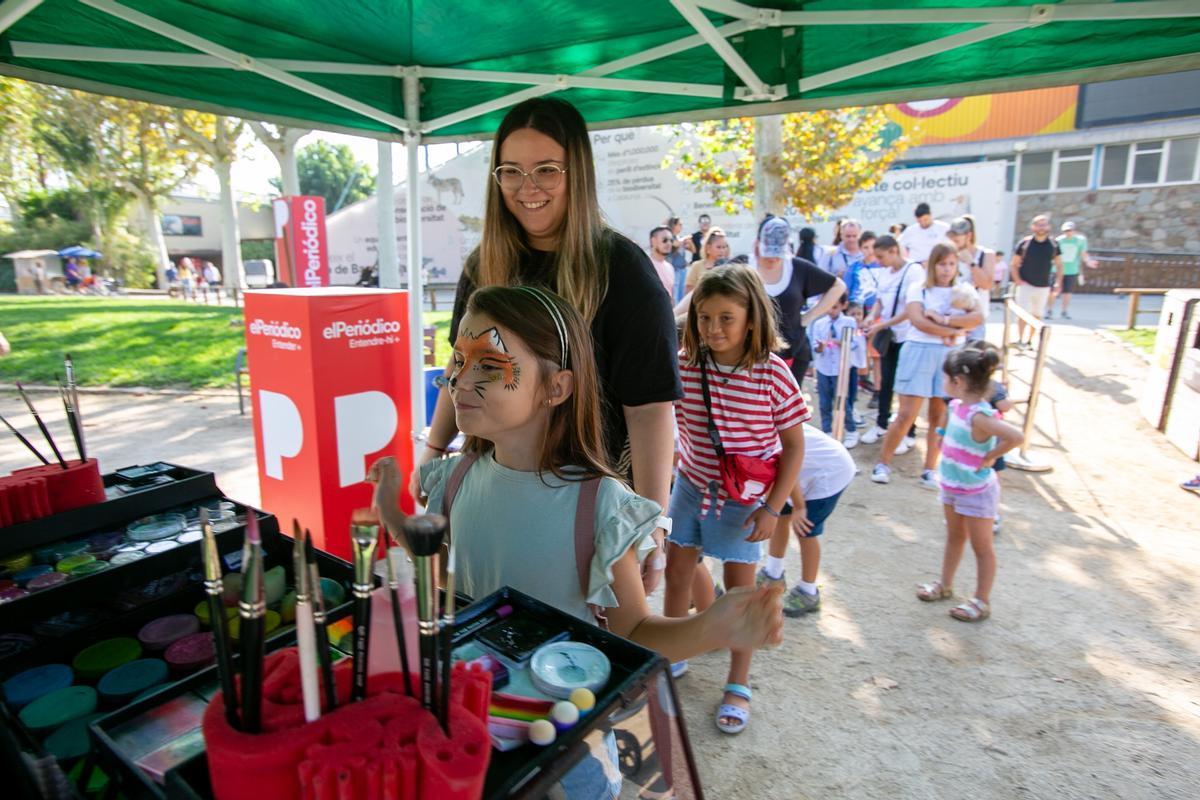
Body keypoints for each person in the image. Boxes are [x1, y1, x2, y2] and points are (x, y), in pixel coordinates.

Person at [368, 286, 783, 796]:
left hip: (570, 741)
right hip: (470, 724)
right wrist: (390, 510)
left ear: (556, 387)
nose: (458, 378)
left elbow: (634, 632)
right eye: (458, 358)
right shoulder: (454, 479)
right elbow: (432, 552)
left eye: (489, 363)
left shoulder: (600, 506)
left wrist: (710, 627)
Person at [422, 97, 681, 595]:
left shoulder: (622, 271)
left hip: (586, 501)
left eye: (546, 169)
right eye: (511, 171)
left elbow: (649, 408)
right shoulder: (483, 266)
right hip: (494, 486)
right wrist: (433, 449)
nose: (528, 187)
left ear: (577, 172)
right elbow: (459, 370)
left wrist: (652, 524)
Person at [662, 264, 806, 735]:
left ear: (751, 318)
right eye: (704, 317)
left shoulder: (772, 374)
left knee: (742, 589)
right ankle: (674, 648)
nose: (713, 329)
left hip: (745, 500)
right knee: (677, 569)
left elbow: (794, 446)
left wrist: (773, 507)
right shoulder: (685, 361)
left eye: (726, 317)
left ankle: (738, 683)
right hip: (690, 485)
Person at [916, 343, 1023, 623]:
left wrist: (990, 457)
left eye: (945, 377)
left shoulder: (980, 416)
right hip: (952, 485)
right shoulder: (957, 406)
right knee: (954, 536)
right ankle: (945, 584)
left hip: (976, 492)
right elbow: (947, 426)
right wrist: (941, 435)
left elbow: (1016, 437)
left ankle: (981, 600)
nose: (942, 382)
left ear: (958, 381)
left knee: (982, 546)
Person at [870, 241, 984, 489]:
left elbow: (976, 318)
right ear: (933, 265)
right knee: (906, 414)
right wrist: (953, 329)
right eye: (942, 264)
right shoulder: (918, 288)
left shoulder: (963, 290)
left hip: (949, 356)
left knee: (939, 416)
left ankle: (930, 469)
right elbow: (918, 320)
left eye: (952, 264)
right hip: (919, 351)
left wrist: (943, 320)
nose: (947, 269)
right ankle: (883, 463)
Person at [758, 423, 855, 616]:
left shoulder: (763, 431)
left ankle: (808, 591)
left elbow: (786, 467)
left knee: (805, 530)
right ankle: (773, 573)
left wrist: (800, 507)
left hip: (829, 473)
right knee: (779, 516)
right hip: (802, 472)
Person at [754, 216, 844, 394]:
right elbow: (704, 290)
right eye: (768, 252)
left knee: (786, 410)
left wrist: (809, 317)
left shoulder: (797, 267)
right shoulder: (744, 265)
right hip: (753, 354)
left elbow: (838, 286)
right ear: (757, 244)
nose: (772, 259)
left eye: (777, 253)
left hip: (792, 350)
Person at [860, 235, 923, 446]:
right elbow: (879, 300)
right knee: (885, 381)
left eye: (881, 256)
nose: (878, 261)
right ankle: (881, 423)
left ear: (894, 251)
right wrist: (872, 317)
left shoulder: (914, 272)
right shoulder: (886, 273)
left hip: (909, 337)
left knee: (906, 387)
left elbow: (911, 310)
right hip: (890, 336)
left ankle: (909, 432)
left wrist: (881, 325)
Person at [810, 294, 864, 446]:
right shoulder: (819, 323)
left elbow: (855, 343)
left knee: (843, 401)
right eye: (828, 307)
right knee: (824, 400)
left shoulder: (849, 322)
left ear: (843, 306)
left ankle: (851, 430)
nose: (830, 311)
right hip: (824, 367)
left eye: (834, 307)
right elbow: (815, 345)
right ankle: (827, 430)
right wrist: (820, 346)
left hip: (842, 367)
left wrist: (838, 342)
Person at [1009, 214, 1062, 346]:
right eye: (1038, 224)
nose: (1041, 227)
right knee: (1022, 313)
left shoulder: (1054, 244)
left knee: (1037, 314)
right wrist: (1018, 280)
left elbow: (1059, 265)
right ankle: (1020, 339)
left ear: (1048, 226)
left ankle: (1030, 340)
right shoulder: (1025, 243)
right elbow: (1014, 264)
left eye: (1044, 224)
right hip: (1025, 283)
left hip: (1043, 285)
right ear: (1033, 226)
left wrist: (1058, 282)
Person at [947, 214, 995, 340]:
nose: (953, 240)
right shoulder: (949, 254)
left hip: (975, 319)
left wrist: (971, 262)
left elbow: (986, 285)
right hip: (952, 318)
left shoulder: (986, 255)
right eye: (951, 236)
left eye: (956, 237)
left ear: (968, 236)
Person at [1048, 221, 1096, 320]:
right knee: (1053, 291)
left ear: (1074, 231)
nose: (1068, 232)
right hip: (1057, 270)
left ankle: (1064, 311)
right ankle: (1049, 310)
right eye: (1066, 231)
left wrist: (1088, 261)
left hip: (1072, 270)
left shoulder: (1080, 240)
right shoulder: (1058, 241)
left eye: (1070, 230)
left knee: (1067, 292)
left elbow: (1083, 253)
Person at [684, 226, 729, 293]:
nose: (722, 250)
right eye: (718, 247)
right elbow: (689, 291)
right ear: (708, 248)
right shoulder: (697, 266)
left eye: (724, 247)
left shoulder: (729, 266)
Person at [647, 225, 676, 297]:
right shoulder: (645, 265)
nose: (669, 243)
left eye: (671, 240)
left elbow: (671, 297)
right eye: (665, 240)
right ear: (653, 241)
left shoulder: (670, 267)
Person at [666, 217, 689, 303]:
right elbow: (675, 244)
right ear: (673, 225)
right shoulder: (669, 236)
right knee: (674, 295)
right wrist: (684, 240)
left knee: (681, 295)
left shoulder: (678, 237)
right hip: (674, 269)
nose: (681, 226)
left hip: (682, 269)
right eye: (679, 224)